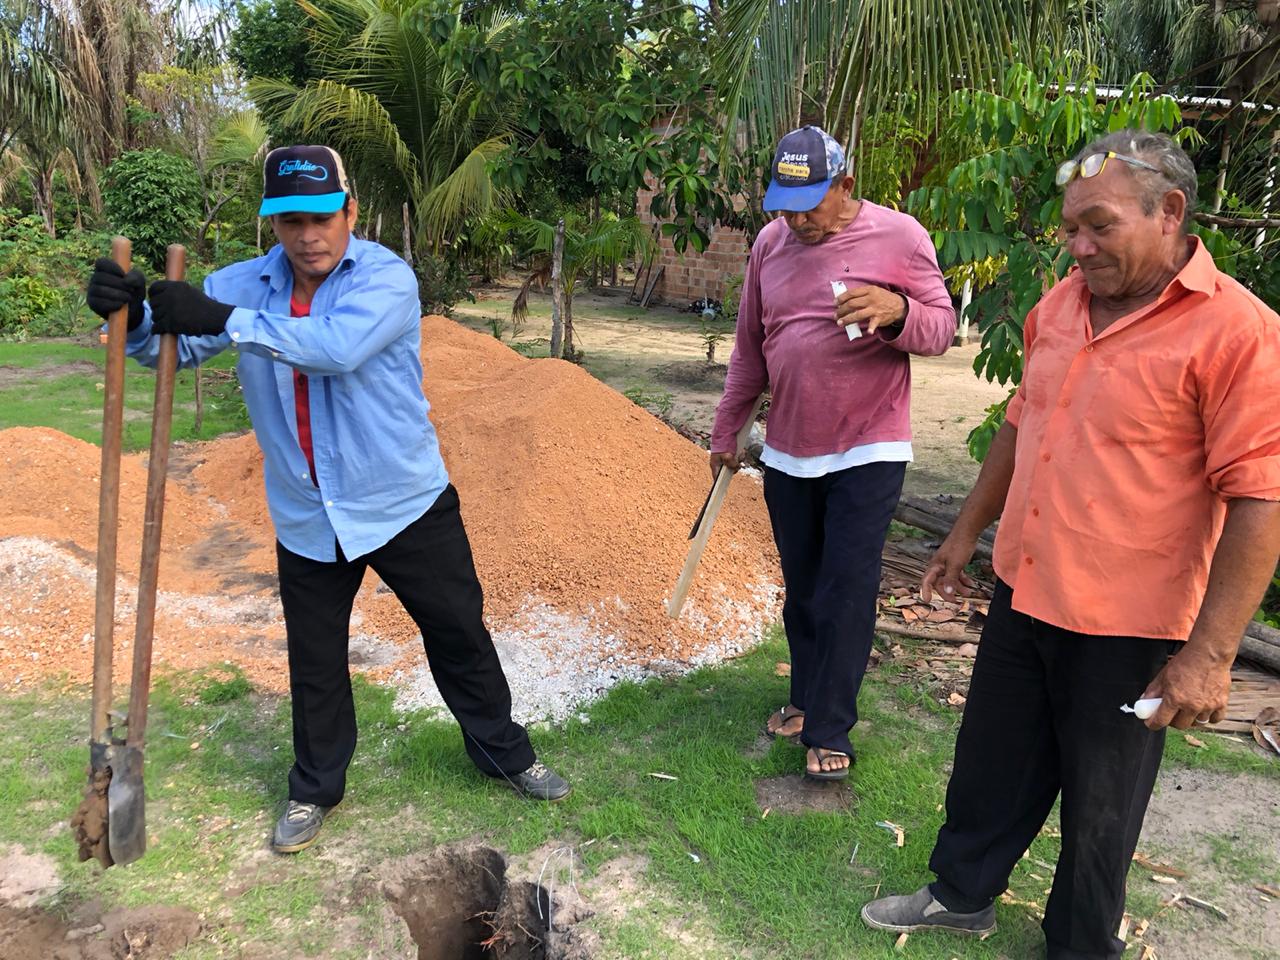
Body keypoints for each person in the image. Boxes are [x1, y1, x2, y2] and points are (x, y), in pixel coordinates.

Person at [861, 130, 1280, 959]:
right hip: (1026, 587)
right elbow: (1023, 423)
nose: (1078, 245)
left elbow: (1260, 498)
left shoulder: (1239, 332)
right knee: (991, 763)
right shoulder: (1058, 305)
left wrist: (1210, 656)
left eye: (1099, 226)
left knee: (1102, 805)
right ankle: (962, 894)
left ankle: (1080, 945)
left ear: (1170, 213)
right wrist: (967, 533)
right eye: (1069, 228)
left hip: (1131, 625)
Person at [85, 145, 570, 855]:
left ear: (350, 212)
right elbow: (171, 350)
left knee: (458, 633)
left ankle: (505, 754)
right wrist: (126, 318)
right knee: (314, 660)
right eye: (289, 220)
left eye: (320, 216)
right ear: (271, 224)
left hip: (404, 500)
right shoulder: (243, 285)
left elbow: (335, 348)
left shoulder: (386, 278)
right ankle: (314, 788)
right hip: (308, 511)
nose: (307, 235)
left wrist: (222, 316)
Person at [709, 125, 955, 780]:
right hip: (790, 449)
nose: (797, 220)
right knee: (805, 589)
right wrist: (728, 427)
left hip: (869, 446)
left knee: (847, 588)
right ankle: (804, 696)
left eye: (811, 204)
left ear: (846, 185)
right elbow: (750, 350)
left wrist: (899, 310)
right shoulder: (770, 244)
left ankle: (831, 728)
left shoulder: (901, 237)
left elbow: (942, 329)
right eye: (786, 205)